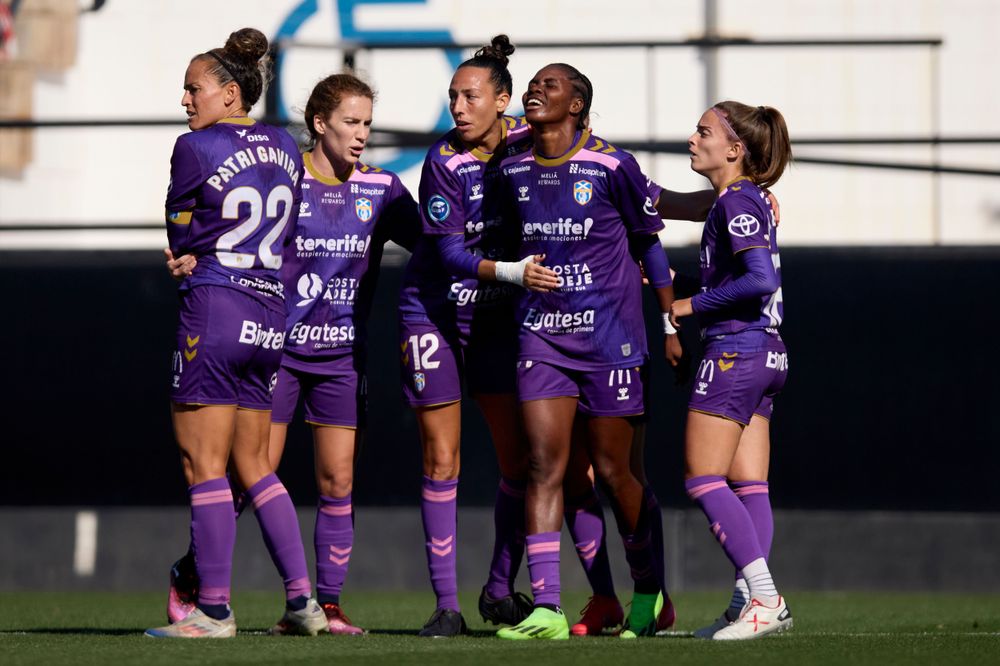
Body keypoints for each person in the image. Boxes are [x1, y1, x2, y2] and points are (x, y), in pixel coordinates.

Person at [146, 28, 327, 639]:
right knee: (257, 465)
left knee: (206, 465)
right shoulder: (283, 143)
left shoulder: (193, 146)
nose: (185, 100)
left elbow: (179, 222)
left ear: (229, 93)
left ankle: (214, 610)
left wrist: (185, 248)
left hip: (217, 309)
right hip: (270, 313)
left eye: (193, 88)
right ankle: (304, 603)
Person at [495, 63, 683, 640]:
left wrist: (670, 319)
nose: (535, 90)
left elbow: (647, 240)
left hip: (610, 337)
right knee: (544, 467)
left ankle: (650, 592)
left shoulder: (612, 164)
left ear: (576, 105)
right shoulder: (512, 164)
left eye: (550, 86)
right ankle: (549, 608)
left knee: (615, 474)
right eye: (534, 83)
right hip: (542, 333)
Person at [396, 34, 560, 637]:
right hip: (435, 314)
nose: (458, 108)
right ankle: (446, 605)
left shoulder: (531, 141)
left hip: (495, 319)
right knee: (443, 461)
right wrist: (515, 271)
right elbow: (445, 252)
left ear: (504, 100)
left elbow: (598, 167)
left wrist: (722, 197)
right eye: (452, 97)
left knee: (519, 460)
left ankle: (498, 588)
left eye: (470, 96)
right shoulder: (444, 160)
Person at [263, 73, 422, 635]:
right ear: (318, 123)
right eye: (351, 123)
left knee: (337, 482)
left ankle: (324, 607)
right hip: (276, 353)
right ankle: (197, 584)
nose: (361, 136)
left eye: (367, 125)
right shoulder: (284, 181)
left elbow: (436, 245)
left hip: (340, 359)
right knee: (251, 478)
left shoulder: (381, 188)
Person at [669, 100, 793, 640]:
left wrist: (688, 305)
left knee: (702, 477)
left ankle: (765, 598)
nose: (692, 139)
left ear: (735, 149)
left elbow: (759, 278)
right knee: (749, 484)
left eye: (704, 133)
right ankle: (747, 601)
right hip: (767, 352)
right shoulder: (739, 199)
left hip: (735, 351)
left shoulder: (737, 201)